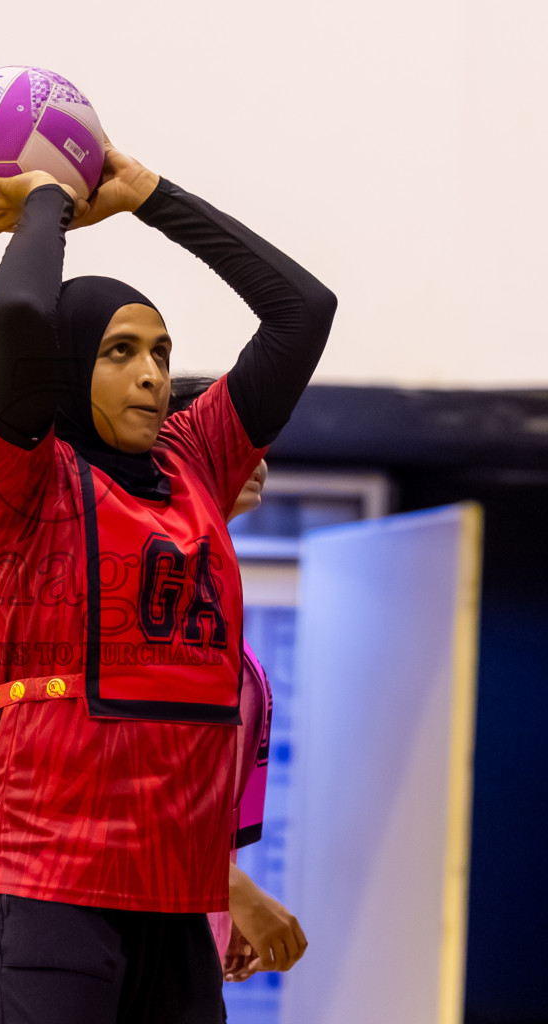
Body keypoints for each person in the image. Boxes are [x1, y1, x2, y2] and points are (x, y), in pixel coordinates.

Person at [0, 143, 336, 1024]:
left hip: (170, 890)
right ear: (67, 364)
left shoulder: (195, 459)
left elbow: (302, 310)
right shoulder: (22, 478)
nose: (154, 373)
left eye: (162, 351)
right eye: (121, 350)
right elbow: (16, 311)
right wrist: (46, 198)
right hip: (43, 874)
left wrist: (148, 195)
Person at [167, 376, 307, 986]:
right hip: (125, 899)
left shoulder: (209, 573)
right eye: (234, 435)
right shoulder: (155, 576)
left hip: (185, 895)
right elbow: (124, 775)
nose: (259, 458)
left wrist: (223, 903)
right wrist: (235, 892)